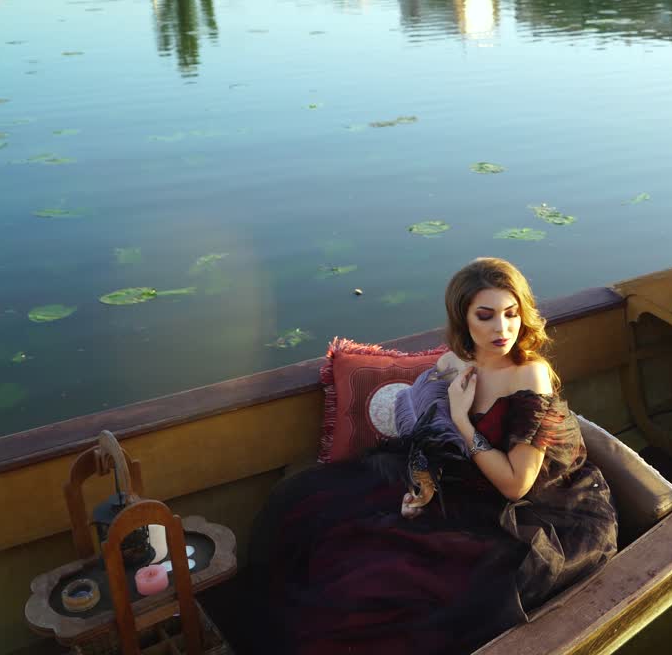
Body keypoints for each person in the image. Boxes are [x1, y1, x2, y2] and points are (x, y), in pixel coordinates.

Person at [250, 258, 618, 655]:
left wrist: (462, 420)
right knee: (307, 505)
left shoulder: (529, 374)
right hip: (468, 482)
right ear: (463, 319)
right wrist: (421, 487)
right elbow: (429, 444)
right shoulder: (453, 364)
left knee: (381, 589)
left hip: (540, 508)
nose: (502, 329)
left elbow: (515, 485)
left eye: (511, 314)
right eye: (486, 315)